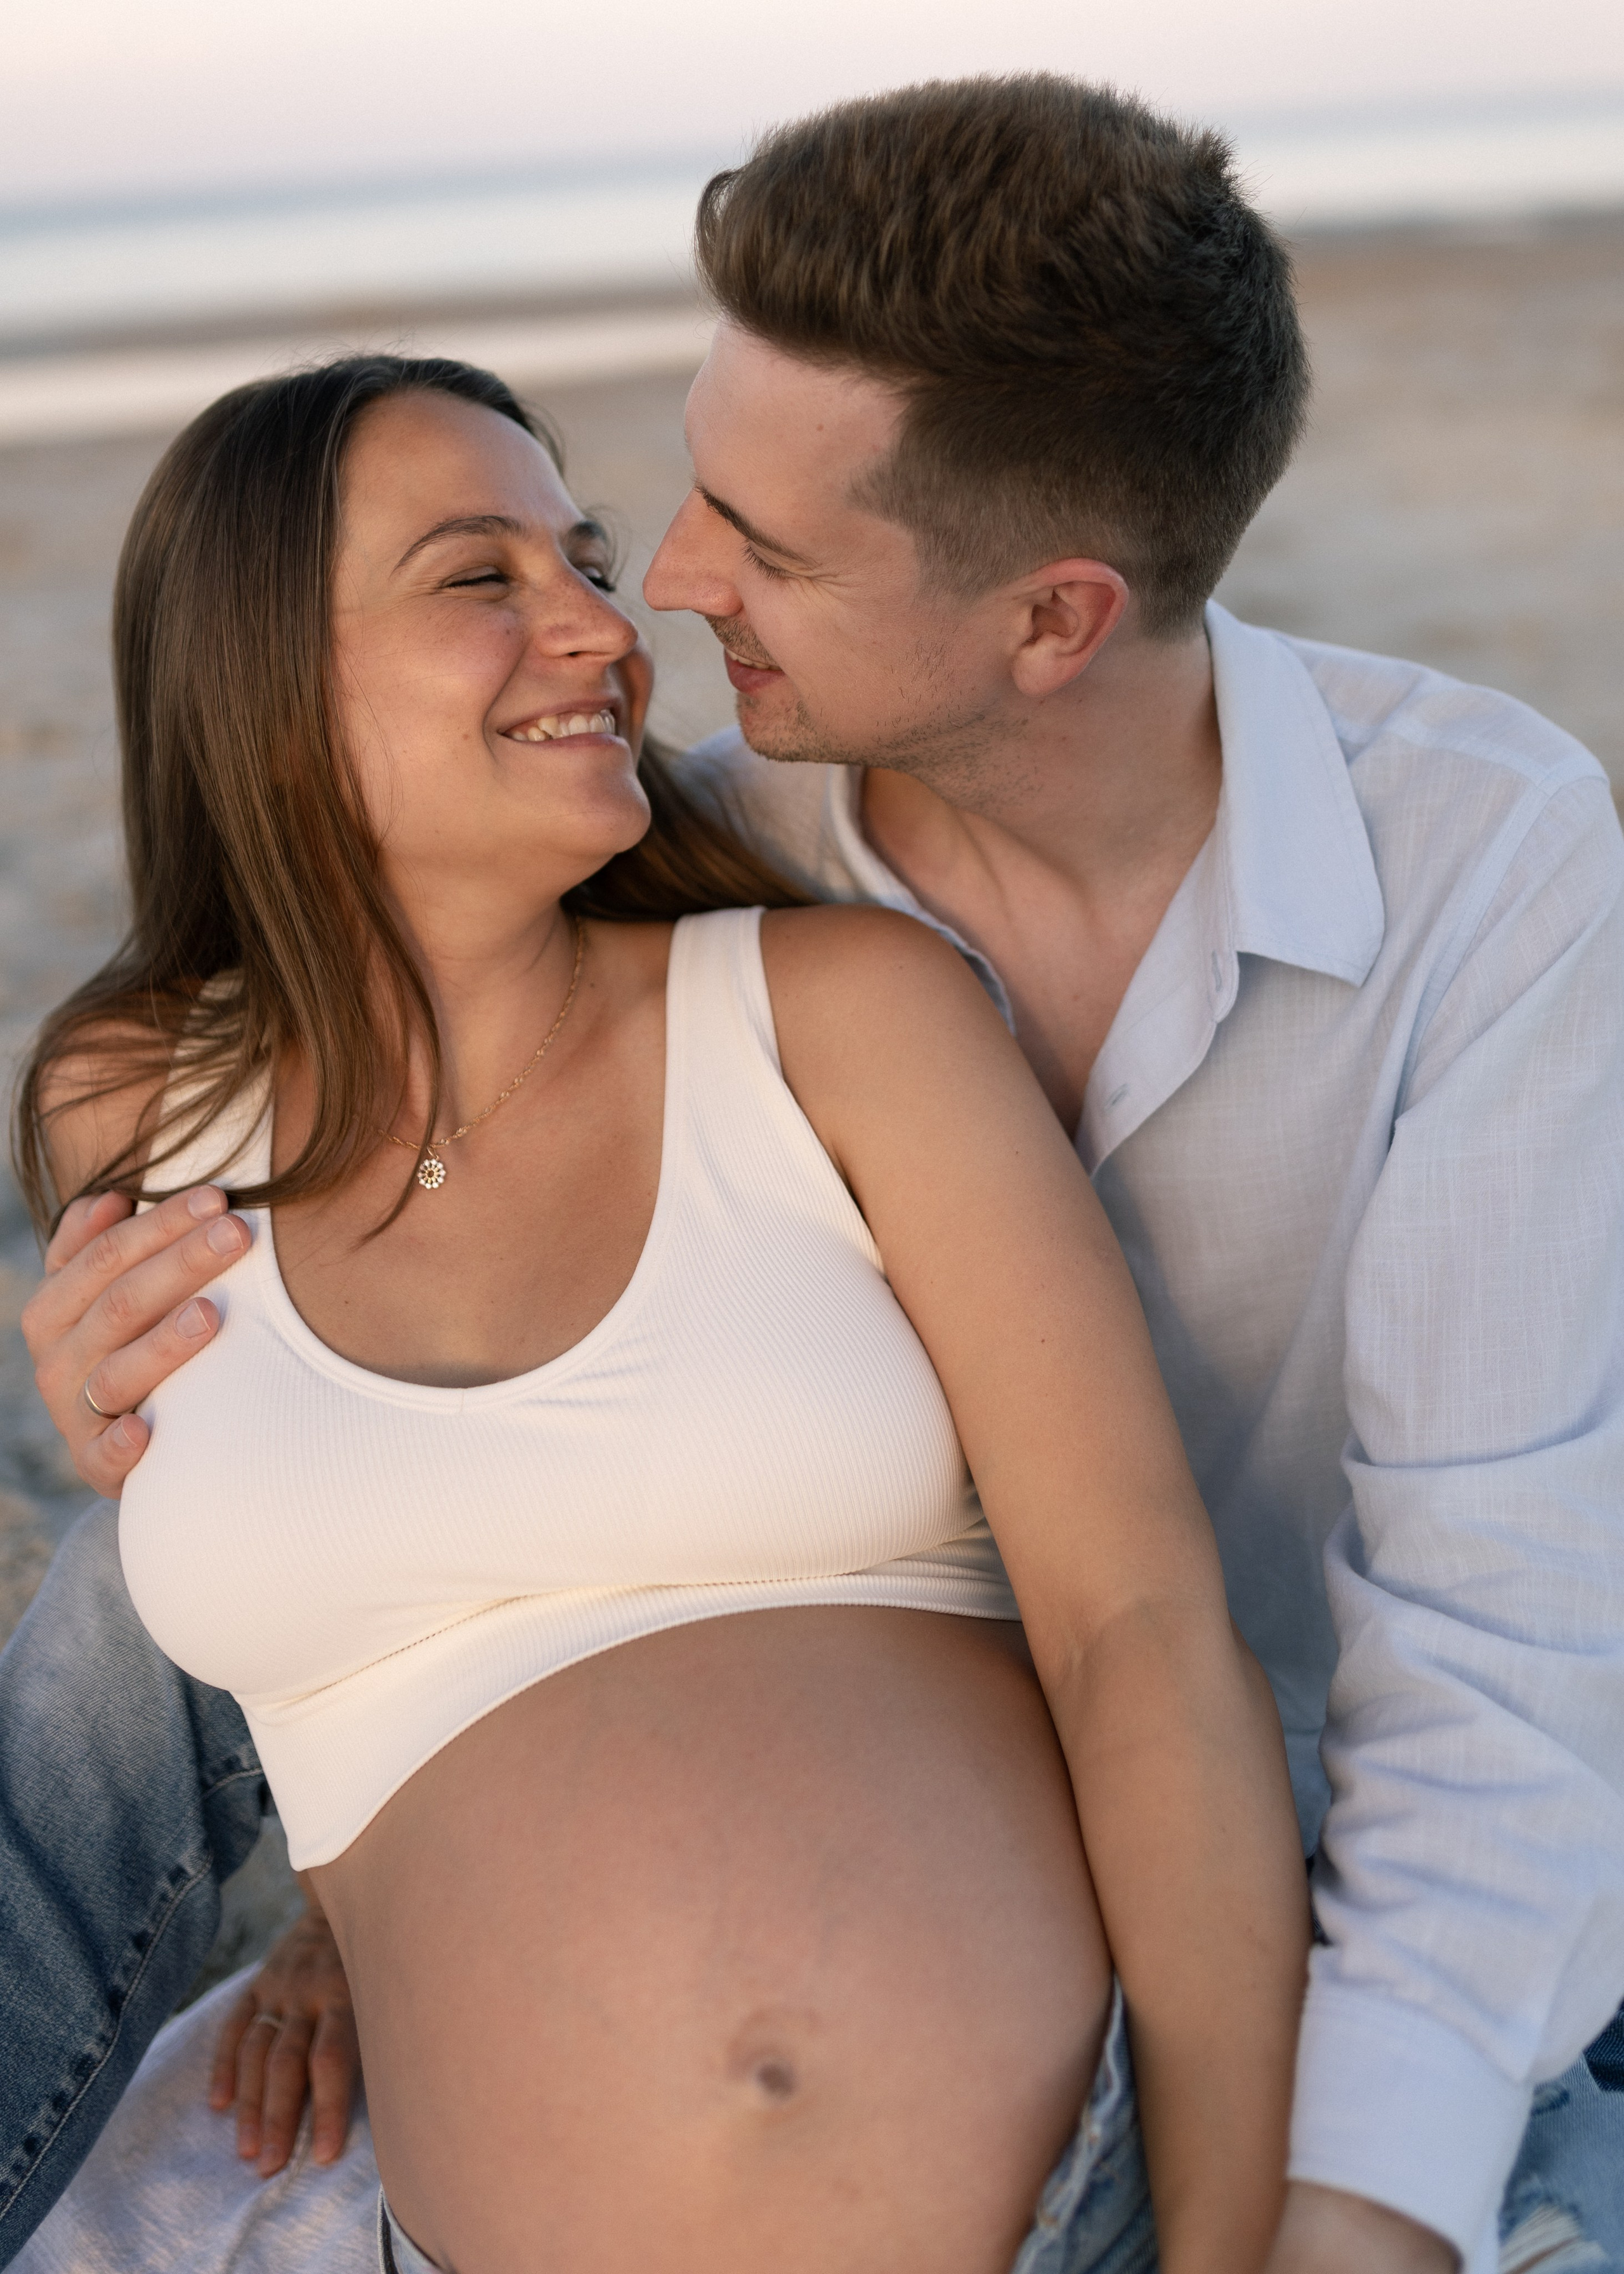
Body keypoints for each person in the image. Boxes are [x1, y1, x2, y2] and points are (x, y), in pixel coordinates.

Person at [9, 70, 1624, 2274]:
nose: (646, 603)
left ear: (1049, 622)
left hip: (1289, 1934)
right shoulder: (672, 849)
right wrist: (367, 1856)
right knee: (124, 1580)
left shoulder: (1474, 868)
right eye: (605, 532)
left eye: (742, 545)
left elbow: (1484, 1659)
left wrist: (1323, 2231)